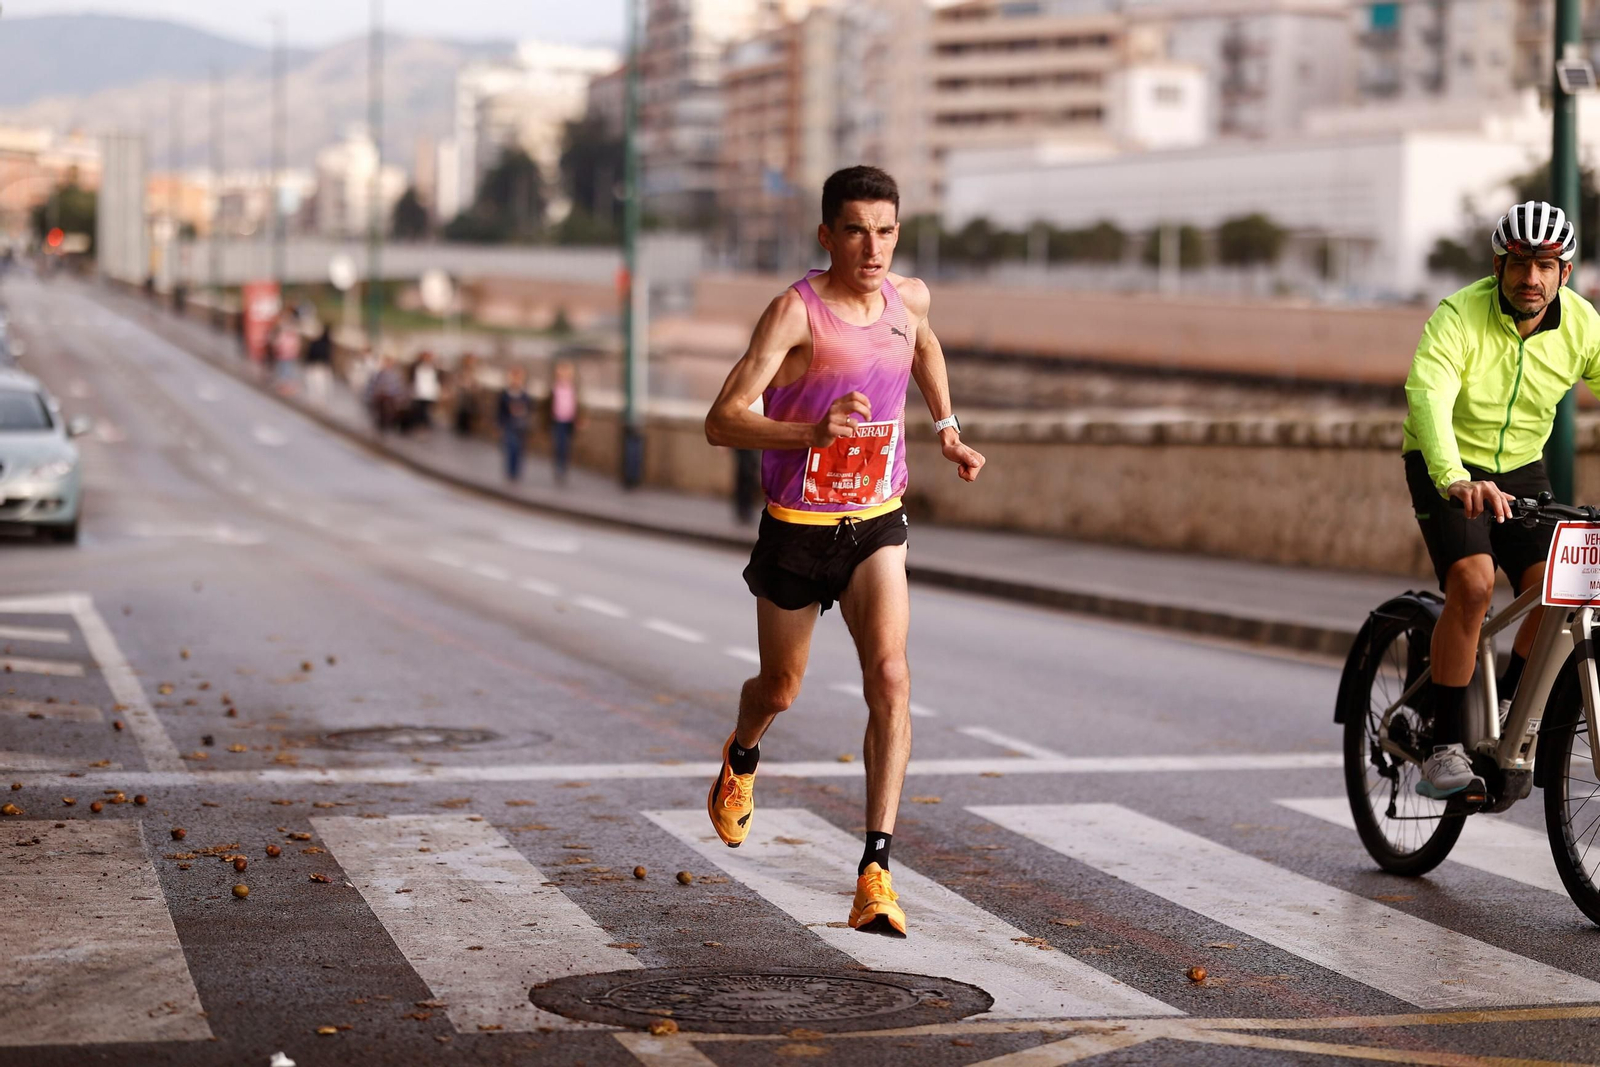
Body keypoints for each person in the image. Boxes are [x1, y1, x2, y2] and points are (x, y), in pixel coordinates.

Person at [701, 166, 985, 937]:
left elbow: (923, 345)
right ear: (827, 234)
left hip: (874, 520)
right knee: (780, 688)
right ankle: (743, 748)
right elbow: (722, 420)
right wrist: (808, 433)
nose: (874, 247)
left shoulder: (910, 297)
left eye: (886, 230)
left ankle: (876, 870)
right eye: (857, 229)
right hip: (796, 526)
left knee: (891, 675)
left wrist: (945, 427)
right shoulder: (794, 313)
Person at [1403, 199, 1600, 802]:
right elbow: (1428, 395)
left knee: (1557, 585)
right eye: (1518, 263)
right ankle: (1442, 742)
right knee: (1474, 583)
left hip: (1520, 468)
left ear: (1565, 272)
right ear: (1498, 264)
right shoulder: (1457, 316)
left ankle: (1511, 709)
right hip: (1447, 463)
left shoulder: (1585, 326)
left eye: (1545, 265)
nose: (1530, 278)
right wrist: (1453, 476)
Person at [497, 366, 534, 481]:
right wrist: (499, 423)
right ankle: (510, 471)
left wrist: (522, 411)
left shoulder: (524, 395)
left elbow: (530, 409)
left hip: (520, 426)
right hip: (509, 424)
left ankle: (515, 471)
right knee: (510, 447)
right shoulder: (506, 394)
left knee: (519, 449)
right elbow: (500, 410)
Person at [546, 359, 579, 484]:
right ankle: (558, 468)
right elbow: (547, 405)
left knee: (566, 446)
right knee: (558, 445)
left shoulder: (573, 388)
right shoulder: (554, 388)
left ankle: (563, 468)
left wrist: (579, 417)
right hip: (557, 420)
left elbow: (577, 405)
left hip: (569, 421)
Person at [409, 350, 441, 432]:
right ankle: (420, 426)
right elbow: (412, 379)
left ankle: (425, 426)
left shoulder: (433, 367)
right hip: (419, 392)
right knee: (419, 410)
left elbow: (436, 380)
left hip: (429, 393)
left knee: (426, 411)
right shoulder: (416, 367)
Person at [304, 324, 334, 406]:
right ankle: (320, 402)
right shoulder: (328, 344)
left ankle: (313, 401)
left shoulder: (316, 342)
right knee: (321, 386)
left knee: (313, 385)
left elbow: (310, 353)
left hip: (314, 365)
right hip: (322, 366)